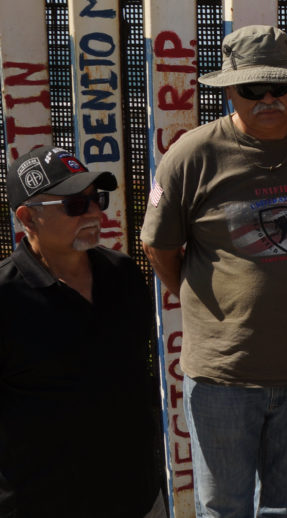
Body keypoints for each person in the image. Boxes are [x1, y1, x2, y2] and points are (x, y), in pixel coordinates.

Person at [140, 25, 287, 516]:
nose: (268, 98)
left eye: (279, 86)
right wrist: (200, 299)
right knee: (223, 507)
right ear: (229, 90)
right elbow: (159, 245)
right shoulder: (189, 156)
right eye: (251, 89)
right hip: (224, 373)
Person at [0, 147, 163, 517]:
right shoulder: (6, 296)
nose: (94, 213)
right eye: (75, 205)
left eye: (97, 199)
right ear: (28, 217)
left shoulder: (122, 273)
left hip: (137, 498)